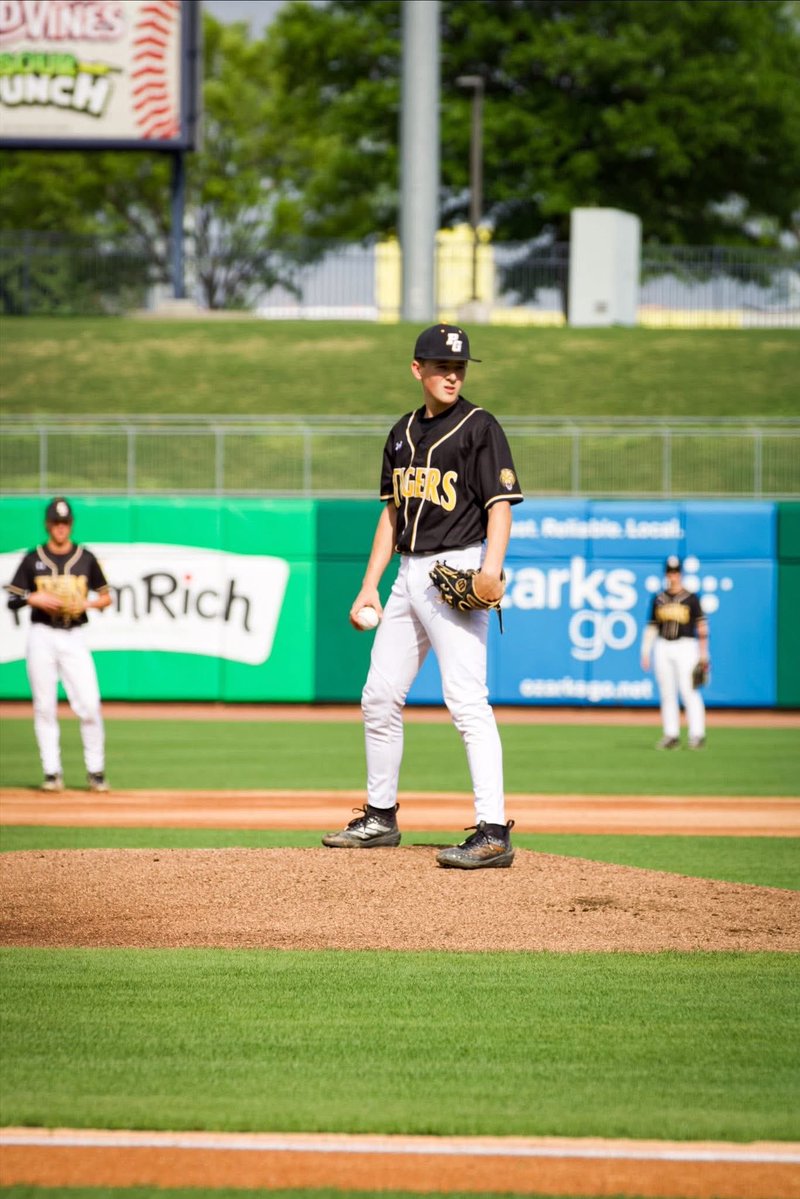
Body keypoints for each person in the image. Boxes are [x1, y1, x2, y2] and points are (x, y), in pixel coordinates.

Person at [322, 324, 524, 868]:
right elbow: (392, 514)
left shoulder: (480, 427)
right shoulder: (401, 433)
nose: (452, 375)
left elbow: (499, 506)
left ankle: (492, 831)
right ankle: (380, 816)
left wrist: (490, 569)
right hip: (407, 574)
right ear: (418, 370)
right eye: (442, 367)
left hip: (456, 566)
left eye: (459, 368)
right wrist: (369, 584)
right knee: (379, 695)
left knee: (466, 700)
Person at [6, 497, 113, 792]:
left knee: (89, 704)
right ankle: (52, 772)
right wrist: (33, 597)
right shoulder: (33, 558)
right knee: (44, 706)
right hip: (42, 634)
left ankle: (96, 771)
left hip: (74, 634)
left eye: (64, 522)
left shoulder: (85, 557)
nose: (60, 527)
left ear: (71, 524)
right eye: (56, 522)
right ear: (47, 525)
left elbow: (106, 597)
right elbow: (12, 597)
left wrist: (87, 604)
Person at [640, 554, 709, 750]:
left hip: (686, 646)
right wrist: (645, 652)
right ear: (666, 574)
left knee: (689, 691)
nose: (673, 576)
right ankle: (671, 734)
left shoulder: (691, 598)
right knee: (667, 693)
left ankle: (697, 734)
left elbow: (702, 627)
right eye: (670, 572)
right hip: (663, 645)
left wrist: (704, 655)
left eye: (676, 572)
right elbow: (652, 627)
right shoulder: (659, 599)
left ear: (681, 574)